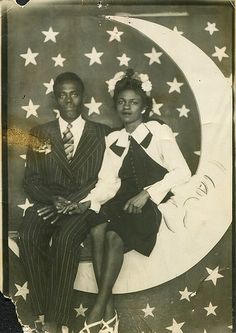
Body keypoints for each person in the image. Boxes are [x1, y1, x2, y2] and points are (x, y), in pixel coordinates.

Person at [65, 69, 191, 333]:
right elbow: (107, 183)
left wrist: (148, 193)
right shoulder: (114, 139)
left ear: (144, 107)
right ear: (116, 105)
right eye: (122, 101)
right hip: (119, 201)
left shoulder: (158, 131)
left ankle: (97, 310)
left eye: (133, 102)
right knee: (96, 225)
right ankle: (109, 313)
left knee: (113, 237)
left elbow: (182, 171)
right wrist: (88, 202)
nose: (127, 107)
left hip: (149, 203)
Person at [18, 72, 109, 333]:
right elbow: (31, 180)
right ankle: (44, 312)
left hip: (82, 207)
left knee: (65, 240)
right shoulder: (39, 132)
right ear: (55, 99)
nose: (68, 99)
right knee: (28, 234)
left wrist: (73, 202)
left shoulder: (102, 134)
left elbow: (105, 179)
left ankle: (57, 324)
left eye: (74, 94)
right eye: (62, 94)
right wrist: (53, 200)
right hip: (50, 204)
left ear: (83, 97)